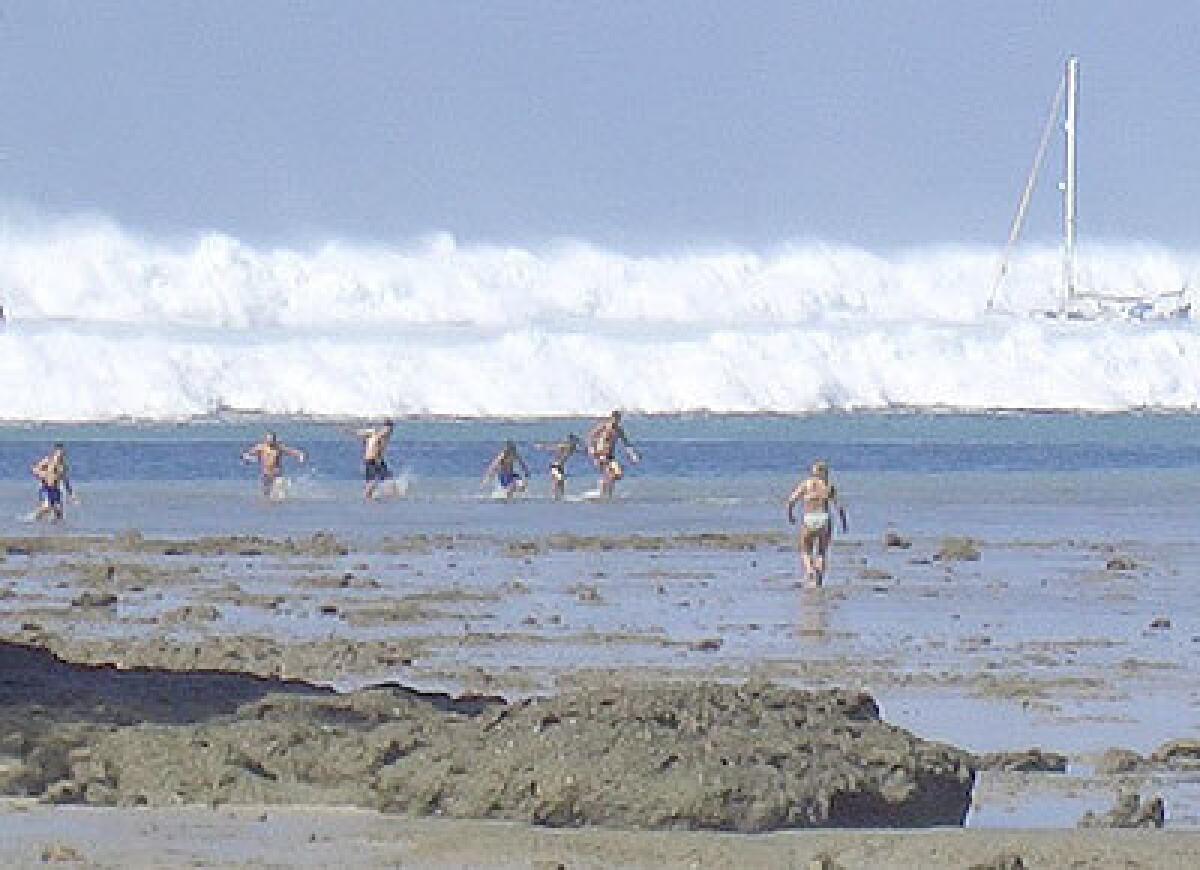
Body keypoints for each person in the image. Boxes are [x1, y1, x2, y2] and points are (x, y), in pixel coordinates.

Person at [786, 460, 848, 587]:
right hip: (824, 518)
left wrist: (790, 515)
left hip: (809, 518)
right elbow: (839, 507)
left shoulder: (806, 485)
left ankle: (809, 570)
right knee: (821, 552)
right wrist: (844, 522)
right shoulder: (829, 486)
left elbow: (791, 501)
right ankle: (818, 580)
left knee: (805, 550)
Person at [586, 410, 640, 499]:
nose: (616, 421)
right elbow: (591, 436)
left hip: (610, 456)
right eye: (615, 419)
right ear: (611, 418)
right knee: (610, 475)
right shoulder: (604, 426)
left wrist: (633, 454)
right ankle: (606, 495)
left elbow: (626, 443)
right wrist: (591, 449)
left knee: (619, 474)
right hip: (600, 455)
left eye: (618, 419)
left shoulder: (619, 430)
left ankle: (605, 488)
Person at [242, 431, 305, 499]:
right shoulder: (261, 447)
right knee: (266, 494)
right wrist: (247, 459)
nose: (270, 442)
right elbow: (247, 454)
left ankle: (280, 503)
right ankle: (269, 506)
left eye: (272, 440)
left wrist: (300, 456)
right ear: (265, 440)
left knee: (279, 495)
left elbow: (292, 452)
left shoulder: (279, 447)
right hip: (266, 474)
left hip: (277, 474)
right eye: (268, 440)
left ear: (274, 440)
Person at [31, 443, 74, 522]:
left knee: (59, 513)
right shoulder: (48, 460)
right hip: (46, 487)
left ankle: (56, 530)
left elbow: (65, 481)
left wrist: (71, 495)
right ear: (55, 452)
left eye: (62, 453)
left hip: (56, 490)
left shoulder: (63, 466)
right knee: (47, 507)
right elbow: (34, 469)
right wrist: (42, 474)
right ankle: (33, 519)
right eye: (59, 453)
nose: (60, 455)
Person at [354, 418, 395, 500]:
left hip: (377, 460)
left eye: (391, 429)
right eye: (389, 428)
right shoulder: (378, 434)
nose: (390, 430)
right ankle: (367, 497)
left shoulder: (380, 434)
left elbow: (367, 440)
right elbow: (371, 441)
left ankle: (385, 494)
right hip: (373, 460)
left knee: (388, 478)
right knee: (372, 482)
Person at [534, 432, 581, 500]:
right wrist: (542, 446)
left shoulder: (573, 447)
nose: (576, 442)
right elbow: (553, 447)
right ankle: (555, 496)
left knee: (561, 482)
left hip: (561, 466)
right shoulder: (566, 445)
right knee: (558, 481)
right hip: (556, 465)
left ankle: (560, 496)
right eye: (575, 440)